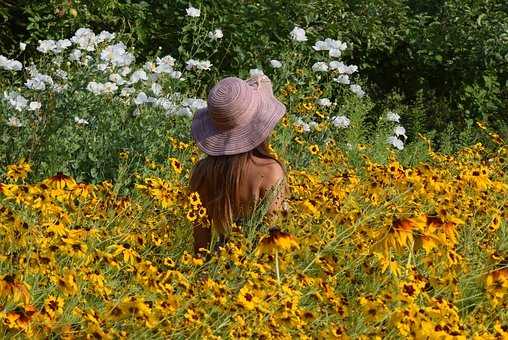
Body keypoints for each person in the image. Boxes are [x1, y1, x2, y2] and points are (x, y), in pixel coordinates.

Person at [189, 75, 287, 253]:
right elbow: (273, 239)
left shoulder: (202, 172)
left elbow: (200, 245)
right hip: (257, 271)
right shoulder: (270, 172)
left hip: (218, 268)